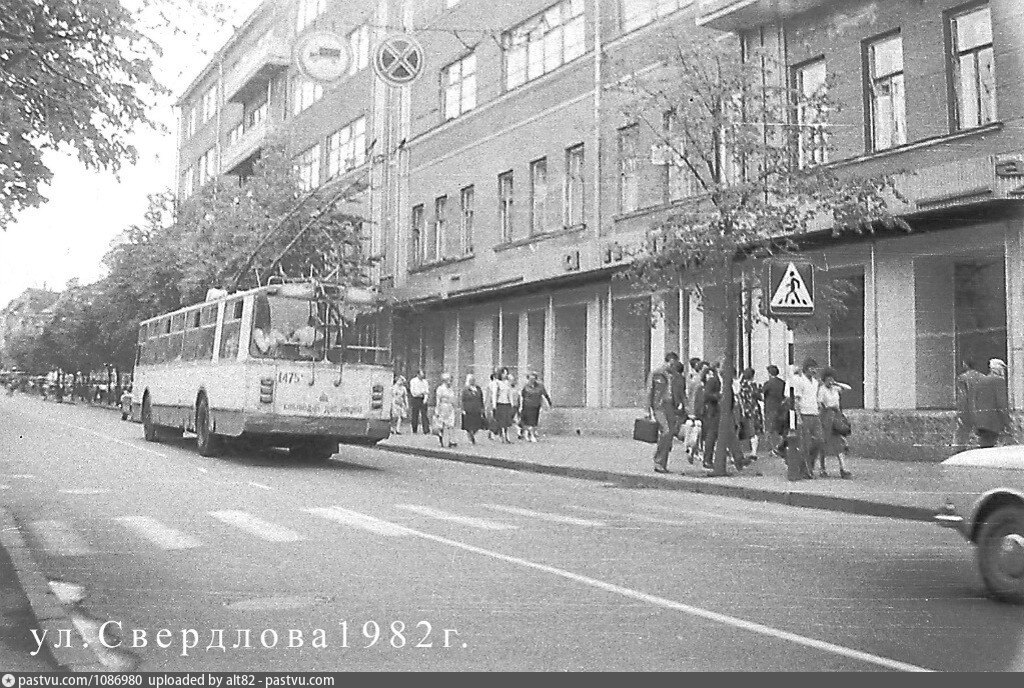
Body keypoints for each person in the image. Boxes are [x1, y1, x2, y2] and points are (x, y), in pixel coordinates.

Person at [648, 352, 686, 473]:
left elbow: (682, 393)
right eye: (671, 364)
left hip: (671, 406)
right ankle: (658, 460)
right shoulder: (656, 374)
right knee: (666, 431)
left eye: (674, 364)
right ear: (666, 362)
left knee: (669, 435)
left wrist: (685, 408)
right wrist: (647, 410)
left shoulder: (677, 376)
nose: (672, 367)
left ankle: (662, 463)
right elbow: (649, 391)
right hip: (659, 406)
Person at [792, 357, 824, 481]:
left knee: (819, 440)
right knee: (805, 444)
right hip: (804, 415)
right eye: (811, 368)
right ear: (806, 369)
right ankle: (806, 470)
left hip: (815, 414)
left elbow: (816, 397)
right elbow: (797, 400)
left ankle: (810, 464)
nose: (813, 370)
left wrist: (819, 406)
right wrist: (798, 417)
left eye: (815, 368)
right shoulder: (800, 381)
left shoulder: (815, 382)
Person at [818, 367, 853, 478]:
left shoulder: (835, 388)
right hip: (827, 416)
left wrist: (836, 383)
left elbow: (848, 388)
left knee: (839, 442)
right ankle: (822, 468)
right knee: (824, 443)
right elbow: (820, 404)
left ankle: (843, 468)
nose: (830, 381)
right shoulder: (822, 389)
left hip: (837, 415)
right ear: (824, 379)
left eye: (832, 378)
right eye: (828, 379)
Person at [974, 358, 1012, 448]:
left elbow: (975, 400)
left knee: (983, 446)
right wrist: (1007, 422)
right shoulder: (999, 381)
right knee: (990, 448)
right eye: (1002, 369)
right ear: (998, 369)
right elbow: (1001, 403)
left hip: (980, 421)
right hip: (993, 422)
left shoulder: (981, 380)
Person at [953, 358, 985, 453]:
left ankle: (960, 452)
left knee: (962, 434)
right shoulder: (983, 377)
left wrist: (960, 412)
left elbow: (962, 396)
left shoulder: (962, 378)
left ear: (966, 365)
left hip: (967, 410)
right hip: (980, 409)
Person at [737, 367, 764, 462]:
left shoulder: (741, 385)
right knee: (754, 431)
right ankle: (754, 452)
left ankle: (738, 451)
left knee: (744, 430)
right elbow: (760, 397)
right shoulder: (753, 386)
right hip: (754, 409)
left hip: (744, 410)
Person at [762, 365, 788, 457]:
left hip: (770, 409)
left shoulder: (768, 384)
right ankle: (779, 447)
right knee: (781, 430)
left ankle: (770, 450)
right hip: (781, 409)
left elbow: (762, 395)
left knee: (769, 430)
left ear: (769, 373)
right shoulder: (783, 383)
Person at [519, 372, 552, 443]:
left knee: (534, 422)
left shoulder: (540, 386)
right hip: (527, 406)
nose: (532, 380)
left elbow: (545, 394)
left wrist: (549, 403)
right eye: (530, 379)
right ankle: (530, 435)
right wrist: (521, 406)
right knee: (528, 421)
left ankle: (530, 434)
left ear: (536, 379)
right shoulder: (525, 386)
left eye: (533, 378)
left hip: (536, 406)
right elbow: (522, 395)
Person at [433, 373, 458, 448]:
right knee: (441, 424)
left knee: (451, 424)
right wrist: (437, 410)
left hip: (450, 407)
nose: (450, 382)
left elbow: (453, 398)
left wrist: (454, 407)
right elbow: (438, 400)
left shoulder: (451, 389)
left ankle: (451, 441)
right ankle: (441, 438)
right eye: (448, 380)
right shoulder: (440, 389)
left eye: (450, 380)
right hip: (443, 407)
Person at [492, 368, 516, 443]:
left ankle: (506, 437)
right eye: (503, 373)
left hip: (507, 404)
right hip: (500, 404)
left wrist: (512, 403)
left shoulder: (507, 383)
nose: (505, 375)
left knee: (506, 422)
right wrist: (494, 405)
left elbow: (510, 393)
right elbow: (494, 394)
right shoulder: (497, 383)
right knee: (501, 421)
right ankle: (501, 436)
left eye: (506, 373)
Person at [461, 374, 485, 445]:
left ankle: (472, 433)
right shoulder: (466, 389)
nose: (472, 381)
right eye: (471, 380)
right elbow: (463, 400)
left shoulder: (478, 388)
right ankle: (470, 436)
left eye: (473, 380)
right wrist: (463, 409)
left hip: (477, 409)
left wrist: (482, 408)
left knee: (477, 424)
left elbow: (481, 399)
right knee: (469, 424)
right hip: (469, 409)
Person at [408, 370, 430, 434]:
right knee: (415, 414)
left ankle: (426, 430)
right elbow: (413, 392)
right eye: (420, 375)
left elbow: (426, 391)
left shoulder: (425, 382)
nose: (422, 377)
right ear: (418, 375)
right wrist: (421, 392)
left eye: (422, 375)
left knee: (424, 414)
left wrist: (425, 399)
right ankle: (414, 429)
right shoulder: (413, 381)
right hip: (416, 398)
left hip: (423, 398)